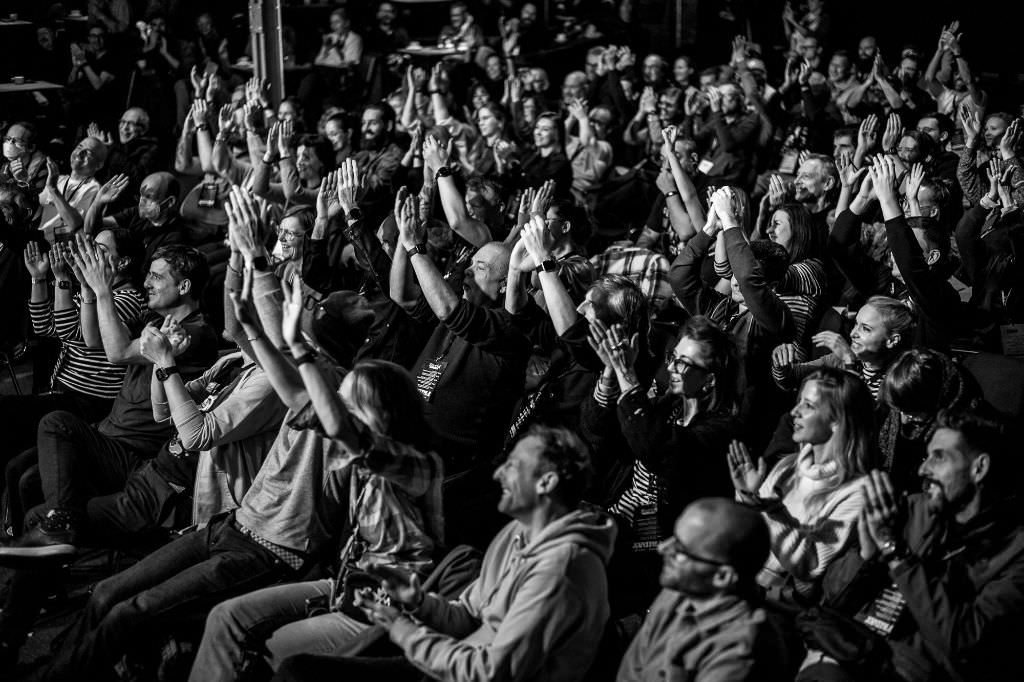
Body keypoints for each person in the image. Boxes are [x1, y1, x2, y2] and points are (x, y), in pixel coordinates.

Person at [190, 307, 444, 679]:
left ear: (379, 412)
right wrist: (261, 333)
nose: (337, 407)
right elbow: (298, 399)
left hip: (383, 606)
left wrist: (299, 349)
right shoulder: (363, 455)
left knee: (269, 651)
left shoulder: (414, 464)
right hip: (345, 584)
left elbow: (332, 422)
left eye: (348, 403)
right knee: (227, 616)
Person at [272, 424, 616, 682]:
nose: (499, 473)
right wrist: (417, 601)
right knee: (299, 670)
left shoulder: (561, 570)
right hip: (458, 662)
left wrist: (402, 630)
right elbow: (468, 615)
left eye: (513, 466)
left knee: (298, 672)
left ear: (546, 483)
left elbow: (490, 672)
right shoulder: (517, 534)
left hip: (469, 671)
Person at [0, 241, 218, 560]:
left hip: (135, 451)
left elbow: (117, 353)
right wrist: (89, 289)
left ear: (184, 287)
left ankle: (59, 529)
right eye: (149, 275)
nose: (147, 282)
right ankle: (39, 550)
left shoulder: (195, 333)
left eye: (157, 277)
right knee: (22, 472)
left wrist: (103, 291)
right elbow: (93, 340)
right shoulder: (154, 319)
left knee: (56, 424)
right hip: (110, 435)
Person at [797, 406, 1024, 682]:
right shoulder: (912, 509)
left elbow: (963, 639)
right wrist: (866, 555)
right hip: (848, 646)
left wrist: (897, 554)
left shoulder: (1015, 551)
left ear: (979, 468)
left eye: (939, 457)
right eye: (926, 457)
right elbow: (833, 597)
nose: (922, 469)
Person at [728, 367, 874, 603]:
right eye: (798, 402)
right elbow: (744, 536)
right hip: (741, 587)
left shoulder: (857, 491)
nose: (794, 412)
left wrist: (772, 511)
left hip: (781, 611)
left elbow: (810, 567)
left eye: (808, 405)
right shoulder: (788, 466)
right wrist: (747, 496)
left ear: (837, 421)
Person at [618, 498, 796, 682]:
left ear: (722, 576)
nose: (662, 548)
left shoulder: (742, 652)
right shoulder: (676, 594)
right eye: (673, 538)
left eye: (680, 550)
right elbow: (630, 673)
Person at [84, 171, 187, 274]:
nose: (141, 201)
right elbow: (90, 228)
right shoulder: (137, 213)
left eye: (149, 196)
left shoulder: (175, 237)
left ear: (169, 202)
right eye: (141, 195)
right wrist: (98, 202)